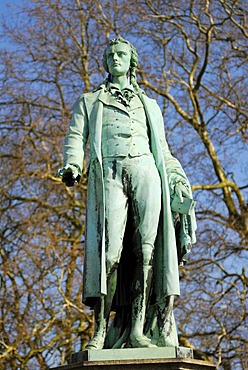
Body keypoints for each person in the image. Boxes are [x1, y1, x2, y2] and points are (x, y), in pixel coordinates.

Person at [58, 37, 196, 350]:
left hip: (146, 169)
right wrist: (71, 166)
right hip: (109, 171)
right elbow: (75, 139)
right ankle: (99, 331)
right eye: (110, 55)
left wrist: (176, 181)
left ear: (131, 61)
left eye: (121, 54)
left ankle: (137, 330)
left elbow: (162, 150)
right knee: (108, 252)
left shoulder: (149, 105)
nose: (115, 58)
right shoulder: (90, 101)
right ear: (105, 63)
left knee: (146, 252)